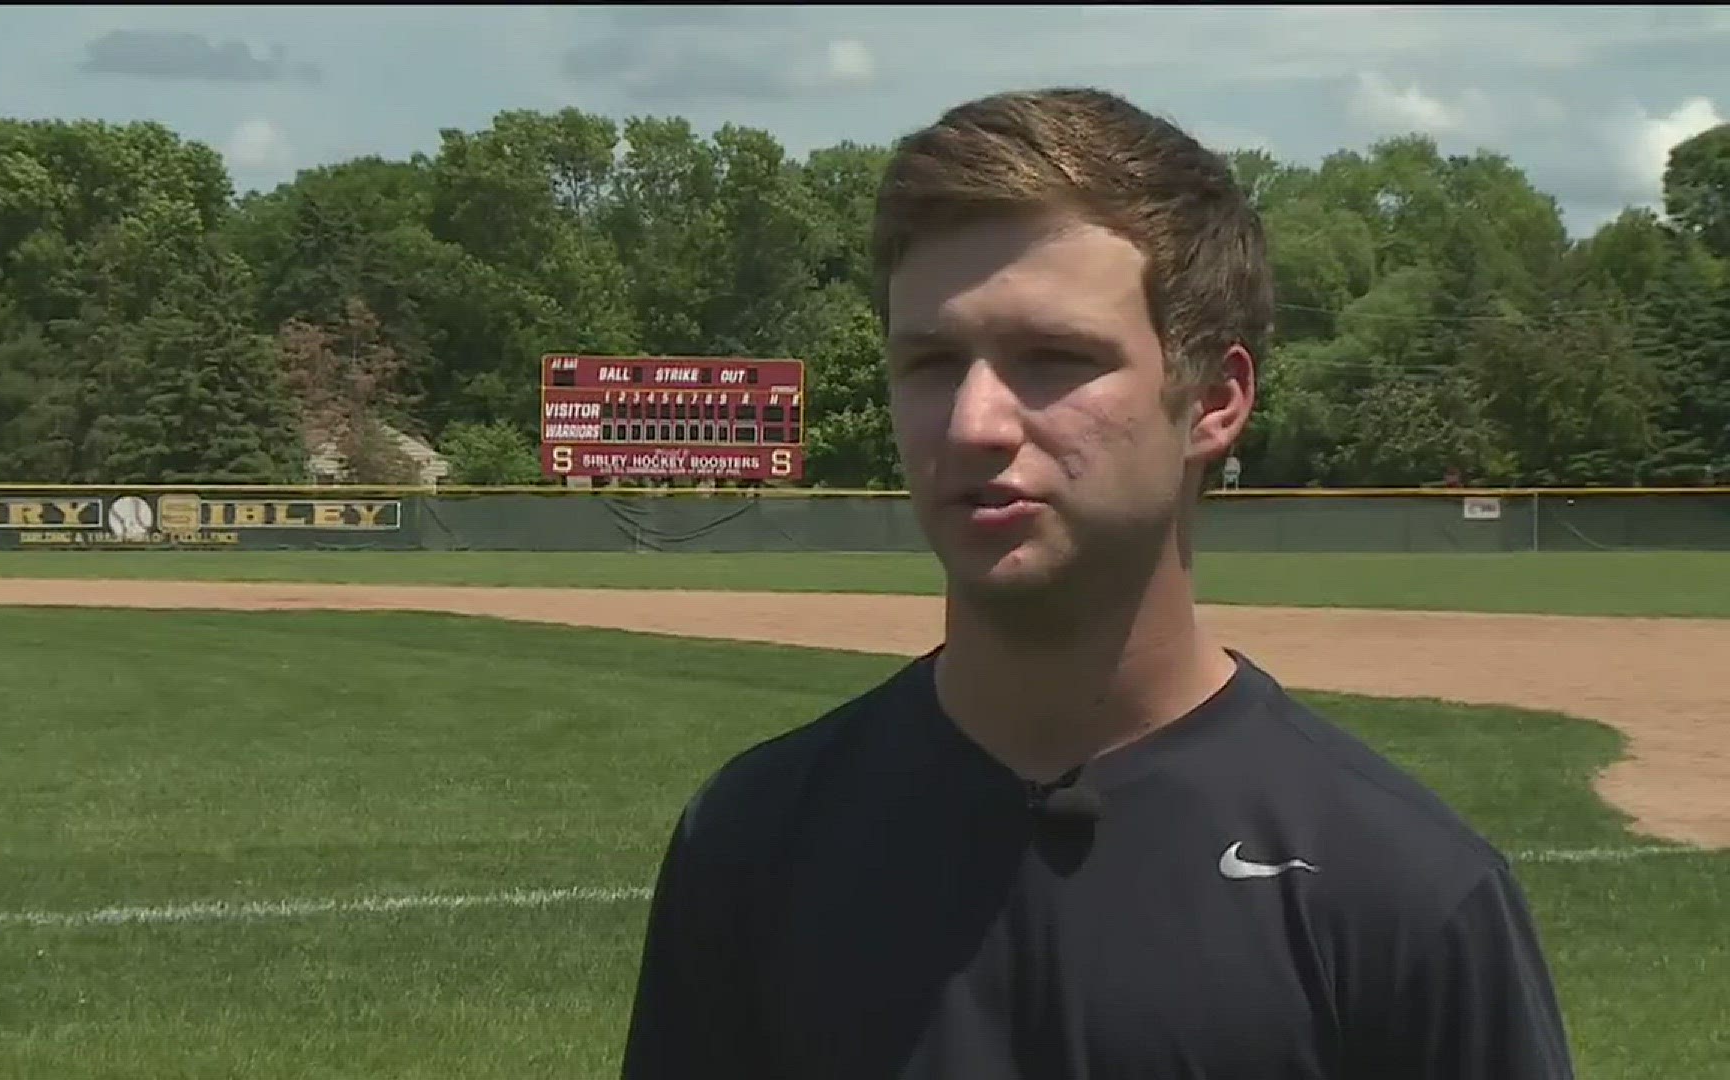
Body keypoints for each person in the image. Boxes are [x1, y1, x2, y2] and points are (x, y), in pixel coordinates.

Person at [619, 87, 1575, 1079]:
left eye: (1055, 359)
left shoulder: (1402, 890)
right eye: (934, 362)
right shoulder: (755, 840)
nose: (975, 423)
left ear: (1213, 399)